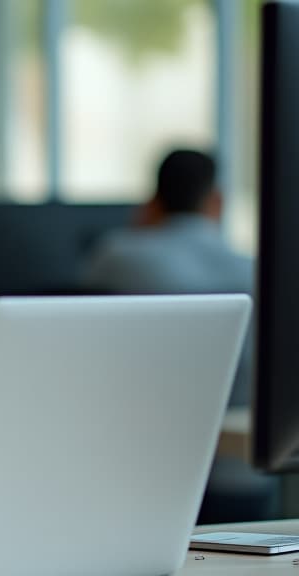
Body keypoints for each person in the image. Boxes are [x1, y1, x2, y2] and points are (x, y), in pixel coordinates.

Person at [82, 148, 278, 523]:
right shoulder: (255, 268)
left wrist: (142, 225)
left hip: (151, 474)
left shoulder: (117, 256)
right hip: (245, 476)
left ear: (153, 202)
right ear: (216, 201)